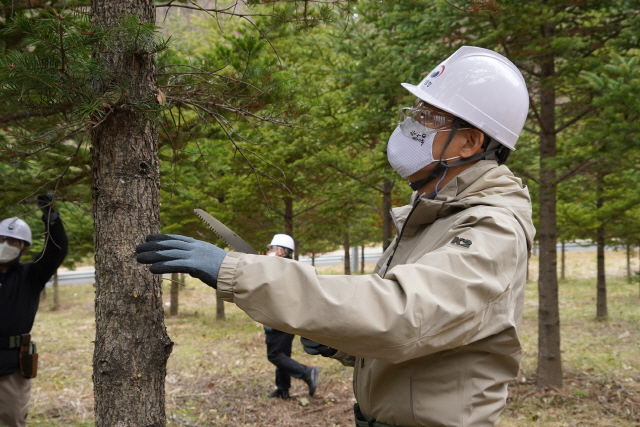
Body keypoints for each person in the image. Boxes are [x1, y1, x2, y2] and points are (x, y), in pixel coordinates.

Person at [137, 46, 535, 427]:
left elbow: (401, 315)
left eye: (429, 117)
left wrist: (239, 272)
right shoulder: (434, 214)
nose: (411, 123)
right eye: (415, 110)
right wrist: (339, 343)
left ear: (469, 142)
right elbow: (423, 333)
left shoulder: (491, 226)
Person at [0, 195, 68, 427]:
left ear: (23, 247)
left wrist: (51, 218)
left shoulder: (30, 276)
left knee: (12, 419)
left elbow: (55, 252)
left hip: (11, 365)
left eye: (13, 241)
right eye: (1, 239)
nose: (5, 245)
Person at [262, 234, 319, 400]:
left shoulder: (281, 269)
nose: (269, 251)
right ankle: (283, 389)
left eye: (271, 248)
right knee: (282, 354)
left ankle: (307, 372)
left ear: (281, 251)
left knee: (274, 354)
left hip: (279, 319)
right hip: (286, 317)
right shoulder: (286, 267)